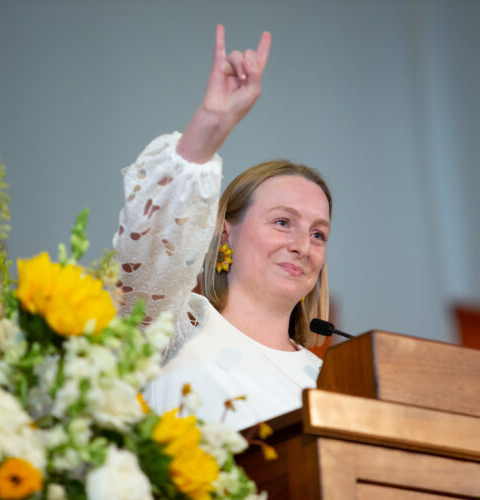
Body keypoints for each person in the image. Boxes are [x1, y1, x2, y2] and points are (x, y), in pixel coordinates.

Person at [114, 25, 332, 430]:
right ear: (226, 231)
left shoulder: (333, 383)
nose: (303, 246)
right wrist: (210, 126)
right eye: (283, 222)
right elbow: (150, 250)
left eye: (318, 233)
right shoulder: (173, 331)